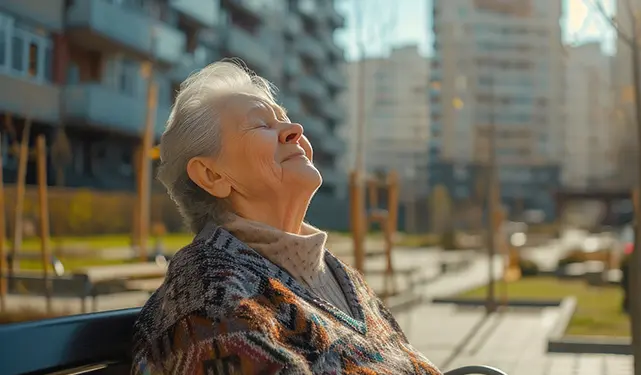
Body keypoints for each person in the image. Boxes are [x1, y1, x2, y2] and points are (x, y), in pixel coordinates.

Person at [131, 61, 441, 375]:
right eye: (262, 124)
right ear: (212, 174)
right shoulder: (210, 295)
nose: (296, 130)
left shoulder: (338, 275)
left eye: (285, 119)